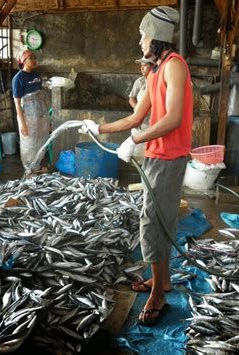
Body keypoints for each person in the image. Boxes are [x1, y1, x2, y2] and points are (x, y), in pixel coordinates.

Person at [81, 6, 192, 326]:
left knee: (152, 223)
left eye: (143, 34)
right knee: (159, 220)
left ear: (156, 35)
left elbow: (173, 118)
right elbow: (135, 117)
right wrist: (98, 128)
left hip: (170, 158)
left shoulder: (174, 67)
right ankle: (163, 280)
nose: (140, 40)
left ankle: (158, 294)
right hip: (155, 156)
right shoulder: (155, 73)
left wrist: (135, 140)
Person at [12, 49, 50, 175]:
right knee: (29, 142)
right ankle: (29, 169)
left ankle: (37, 166)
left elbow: (40, 95)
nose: (34, 60)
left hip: (40, 113)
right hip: (28, 116)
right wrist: (23, 124)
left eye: (34, 58)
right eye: (31, 58)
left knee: (41, 140)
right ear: (23, 61)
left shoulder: (36, 75)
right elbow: (17, 103)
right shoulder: (18, 78)